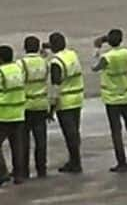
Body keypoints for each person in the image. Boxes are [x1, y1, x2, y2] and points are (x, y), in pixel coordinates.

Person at [0, 44, 28, 186]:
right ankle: (19, 175)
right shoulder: (20, 70)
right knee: (17, 145)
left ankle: (2, 172)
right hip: (17, 113)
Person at [95, 28, 127, 172]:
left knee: (116, 131)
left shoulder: (107, 57)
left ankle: (121, 162)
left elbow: (95, 67)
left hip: (112, 99)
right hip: (126, 96)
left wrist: (97, 49)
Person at [47, 32, 84, 174]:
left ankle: (75, 162)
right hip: (77, 98)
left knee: (70, 134)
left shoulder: (56, 62)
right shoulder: (72, 54)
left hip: (66, 101)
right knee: (75, 131)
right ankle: (74, 160)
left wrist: (51, 107)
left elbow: (55, 86)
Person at [19, 36, 49, 179]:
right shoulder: (45, 62)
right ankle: (41, 168)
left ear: (25, 47)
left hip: (26, 105)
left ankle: (24, 170)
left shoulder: (21, 64)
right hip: (41, 104)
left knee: (24, 140)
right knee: (41, 140)